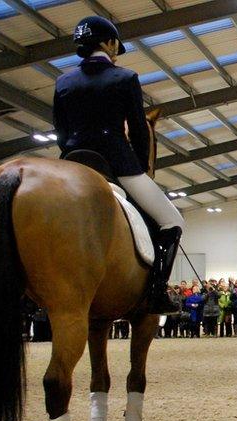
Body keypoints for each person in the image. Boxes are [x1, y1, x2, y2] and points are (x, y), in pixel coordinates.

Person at [53, 16, 184, 313]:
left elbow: (60, 131)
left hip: (73, 162)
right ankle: (156, 290)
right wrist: (138, 166)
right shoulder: (125, 78)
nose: (116, 52)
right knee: (173, 220)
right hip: (117, 162)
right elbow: (139, 129)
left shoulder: (63, 81)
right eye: (115, 46)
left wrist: (73, 153)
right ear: (108, 43)